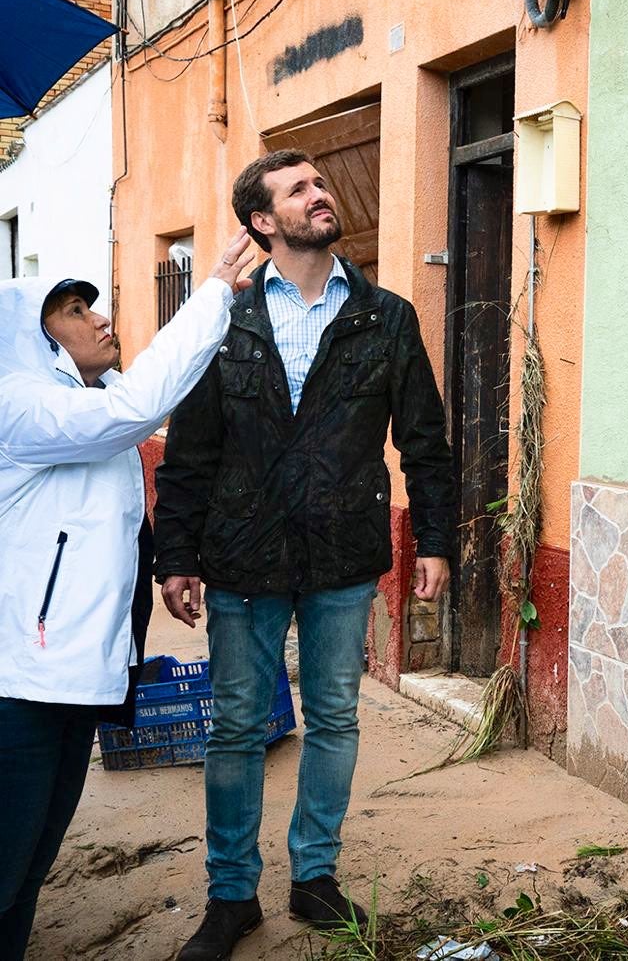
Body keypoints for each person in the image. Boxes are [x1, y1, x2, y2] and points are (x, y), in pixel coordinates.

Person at [156, 150, 455, 960]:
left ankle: (315, 875)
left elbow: (425, 440)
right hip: (242, 557)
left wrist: (434, 538)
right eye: (299, 189)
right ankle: (230, 896)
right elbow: (190, 450)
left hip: (340, 556)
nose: (321, 195)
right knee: (237, 728)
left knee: (333, 718)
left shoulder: (385, 315)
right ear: (262, 221)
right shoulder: (228, 318)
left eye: (321, 183)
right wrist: (174, 554)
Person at [0, 232, 256, 961]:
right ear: (30, 339)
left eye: (94, 304)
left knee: (29, 871)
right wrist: (212, 295)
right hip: (18, 687)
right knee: (6, 865)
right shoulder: (21, 407)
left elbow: (136, 404)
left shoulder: (92, 398)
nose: (101, 319)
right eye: (76, 310)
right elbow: (142, 405)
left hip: (72, 680)